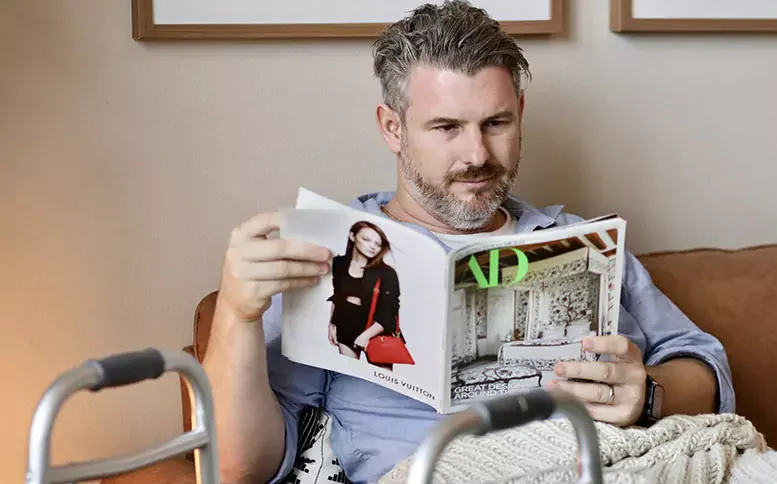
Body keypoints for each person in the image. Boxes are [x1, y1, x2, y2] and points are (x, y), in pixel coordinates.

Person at [202, 2, 736, 483]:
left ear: (520, 114)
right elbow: (237, 469)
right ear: (392, 128)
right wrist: (235, 315)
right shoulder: (330, 253)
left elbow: (705, 367)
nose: (477, 154)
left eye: (496, 123)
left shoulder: (578, 240)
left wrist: (647, 394)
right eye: (447, 127)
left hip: (609, 463)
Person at [327, 221, 401, 370]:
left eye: (377, 244)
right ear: (352, 236)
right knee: (349, 374)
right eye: (366, 239)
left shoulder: (387, 273)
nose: (372, 246)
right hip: (346, 323)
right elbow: (338, 295)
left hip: (376, 328)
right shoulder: (339, 263)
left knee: (382, 382)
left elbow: (390, 311)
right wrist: (332, 323)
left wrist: (366, 335)